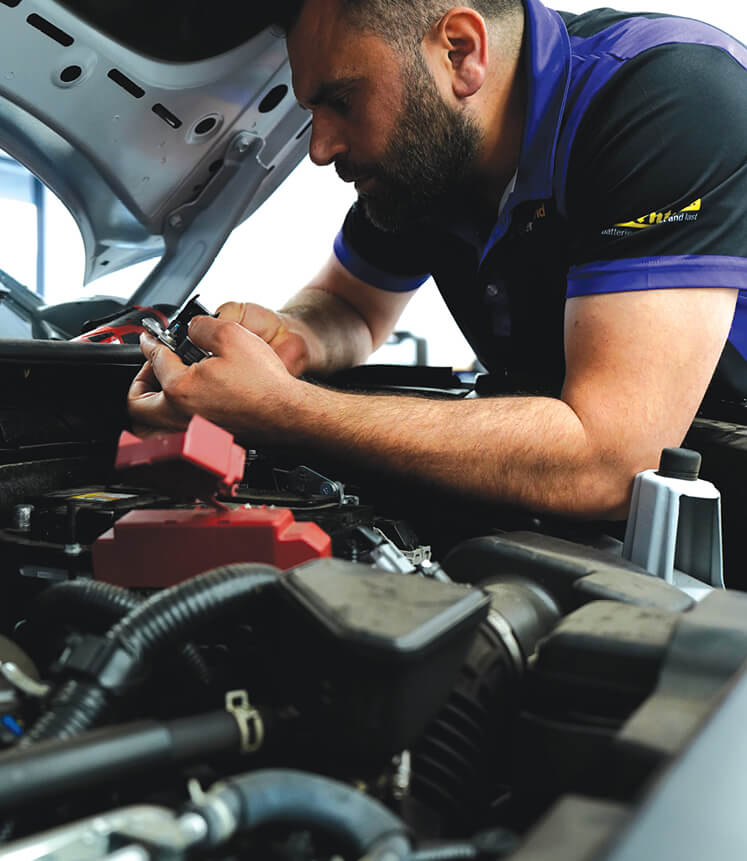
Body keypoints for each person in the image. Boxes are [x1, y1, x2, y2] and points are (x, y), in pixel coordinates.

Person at [128, 0, 747, 520]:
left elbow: (612, 462)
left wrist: (286, 411)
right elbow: (351, 306)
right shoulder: (433, 156)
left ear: (459, 52)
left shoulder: (668, 99)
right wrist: (294, 337)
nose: (320, 147)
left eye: (341, 100)